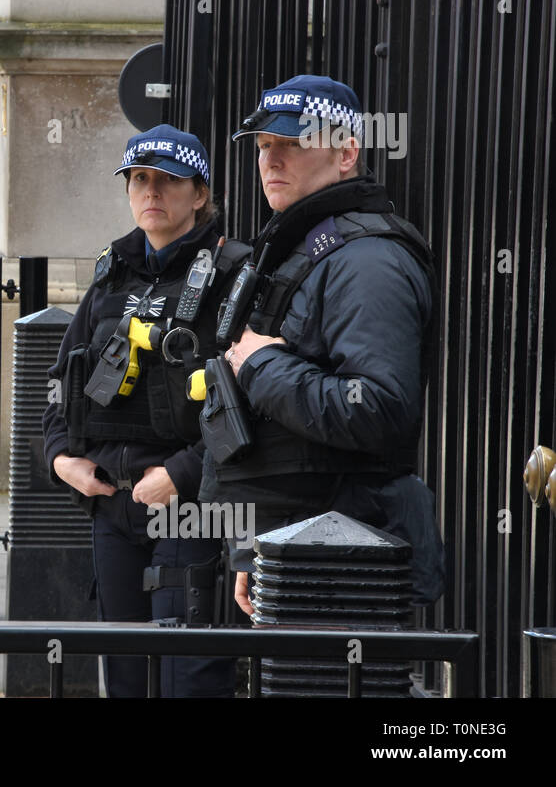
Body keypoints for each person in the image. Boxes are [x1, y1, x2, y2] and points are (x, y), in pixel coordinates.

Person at [199, 74, 442, 616]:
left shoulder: (368, 260)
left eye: (293, 143)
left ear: (347, 152)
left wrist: (260, 364)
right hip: (295, 551)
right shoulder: (301, 246)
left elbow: (378, 406)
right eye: (264, 146)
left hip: (345, 561)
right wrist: (250, 549)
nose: (271, 160)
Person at [42, 125, 246, 698]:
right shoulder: (112, 270)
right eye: (138, 180)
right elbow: (61, 382)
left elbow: (252, 401)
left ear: (200, 194)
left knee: (187, 679)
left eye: (166, 181)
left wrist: (179, 474)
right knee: (126, 678)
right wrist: (62, 458)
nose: (150, 192)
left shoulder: (233, 274)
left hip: (188, 508)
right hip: (112, 507)